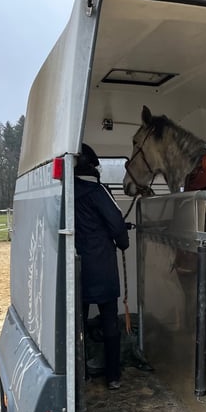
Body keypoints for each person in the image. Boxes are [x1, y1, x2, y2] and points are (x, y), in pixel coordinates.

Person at [74, 143, 130, 390]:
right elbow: (116, 222)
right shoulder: (98, 192)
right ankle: (113, 376)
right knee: (110, 322)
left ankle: (80, 374)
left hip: (76, 267)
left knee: (79, 324)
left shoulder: (64, 193)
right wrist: (123, 242)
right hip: (102, 266)